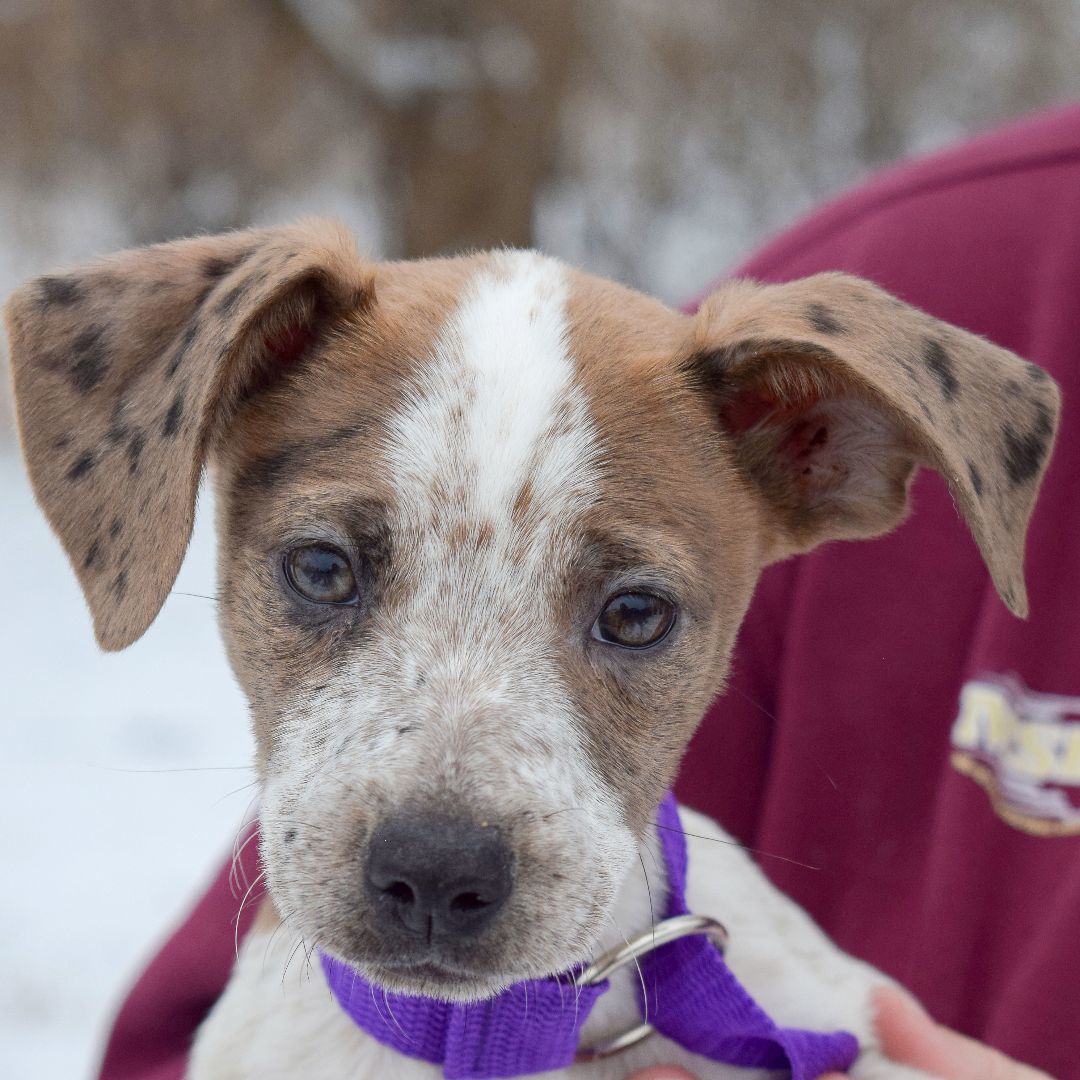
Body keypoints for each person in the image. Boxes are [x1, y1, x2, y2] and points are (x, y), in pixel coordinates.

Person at [98, 103, 1080, 1080]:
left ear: (814, 449)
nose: (442, 848)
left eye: (630, 614)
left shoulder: (796, 1006)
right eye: (324, 573)